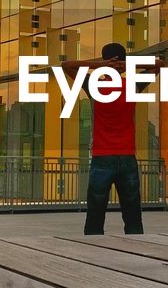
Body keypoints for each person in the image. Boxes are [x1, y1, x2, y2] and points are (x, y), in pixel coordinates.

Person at [62, 43, 159, 236]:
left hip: (101, 157)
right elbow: (160, 65)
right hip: (127, 157)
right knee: (132, 213)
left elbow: (66, 65)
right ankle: (136, 252)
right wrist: (127, 65)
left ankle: (94, 254)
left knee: (95, 214)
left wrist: (100, 66)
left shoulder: (94, 85)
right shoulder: (132, 85)